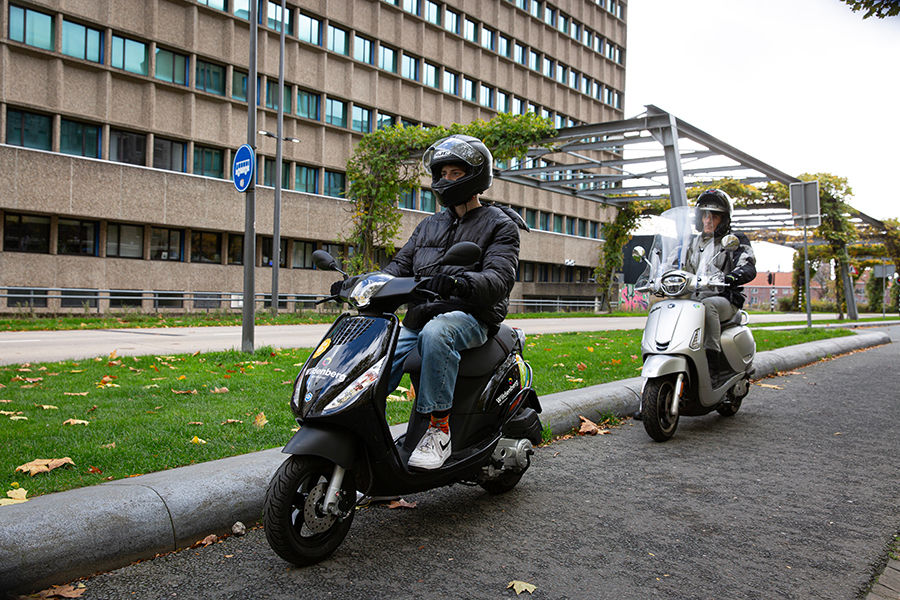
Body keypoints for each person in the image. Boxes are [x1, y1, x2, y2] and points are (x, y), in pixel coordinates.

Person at [380, 134, 525, 470]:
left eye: (455, 174)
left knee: (437, 334)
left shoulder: (500, 225)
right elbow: (398, 267)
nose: (446, 179)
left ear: (475, 177)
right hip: (423, 316)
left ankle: (439, 430)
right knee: (380, 347)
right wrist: (366, 282)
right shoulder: (428, 225)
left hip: (471, 316)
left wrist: (462, 282)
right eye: (442, 173)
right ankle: (362, 422)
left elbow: (500, 279)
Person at [684, 189, 756, 377]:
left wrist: (731, 277)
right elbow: (672, 264)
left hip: (723, 299)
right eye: (704, 215)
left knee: (708, 307)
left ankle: (712, 362)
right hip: (693, 297)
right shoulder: (690, 243)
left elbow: (748, 265)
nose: (707, 220)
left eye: (714, 216)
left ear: (724, 219)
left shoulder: (734, 240)